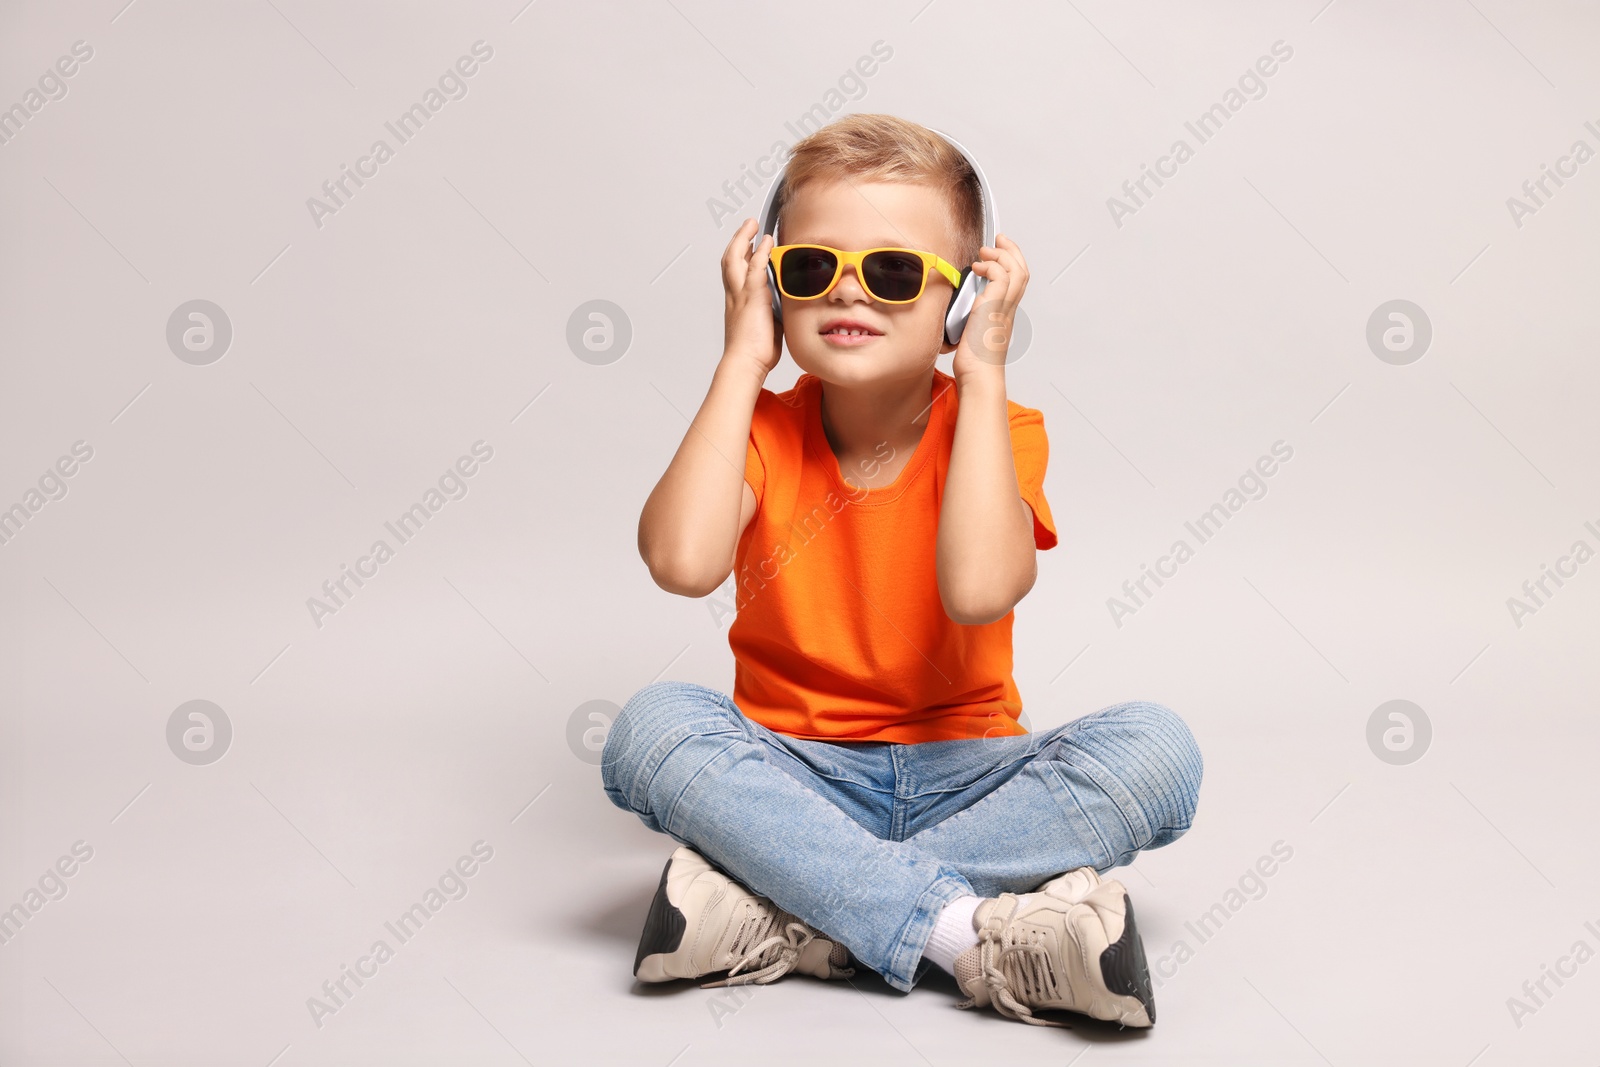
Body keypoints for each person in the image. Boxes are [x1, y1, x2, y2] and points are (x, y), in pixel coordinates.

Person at [602, 113, 1201, 1029]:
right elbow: (680, 563)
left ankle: (795, 912)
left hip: (974, 771)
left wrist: (986, 369)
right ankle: (970, 933)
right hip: (794, 768)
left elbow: (978, 588)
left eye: (892, 271)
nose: (849, 292)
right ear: (773, 289)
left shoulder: (1000, 430)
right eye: (810, 268)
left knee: (1160, 752)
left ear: (958, 303)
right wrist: (740, 358)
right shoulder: (760, 433)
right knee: (650, 730)